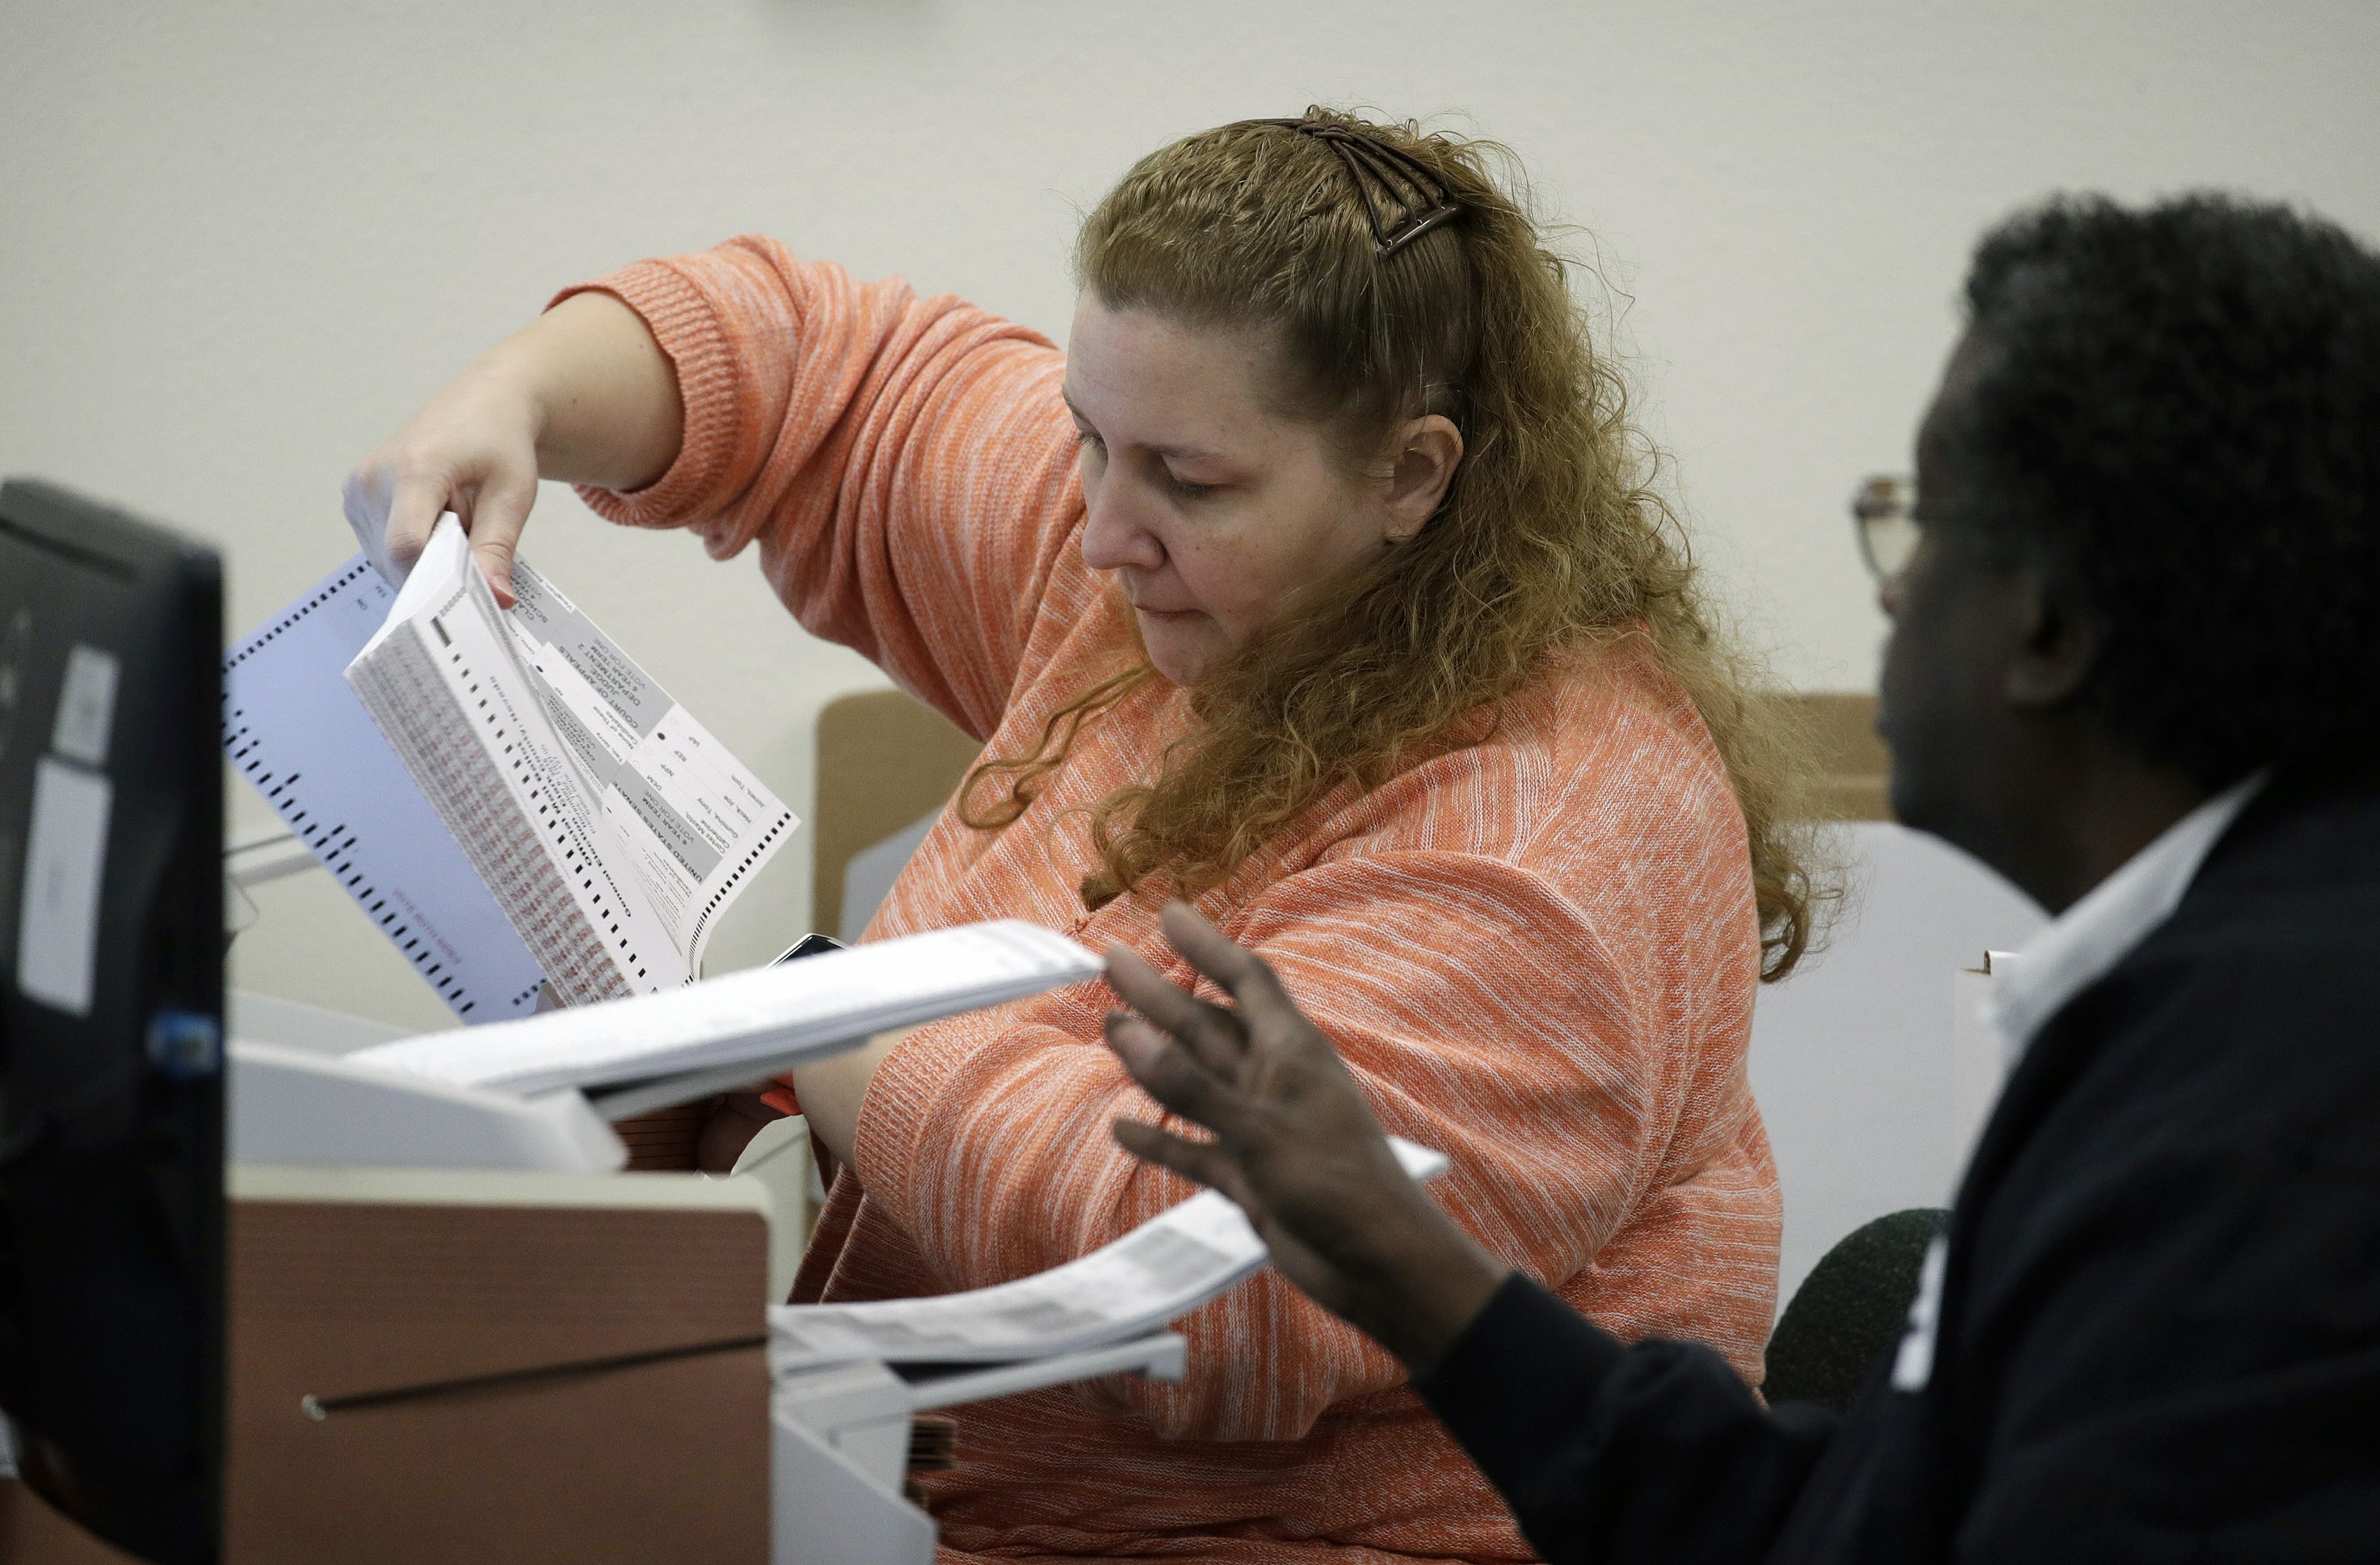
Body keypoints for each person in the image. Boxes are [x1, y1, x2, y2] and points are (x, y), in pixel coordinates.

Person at [347, 112, 1824, 1560]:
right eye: (1086, 439)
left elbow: (1218, 1280)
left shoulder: (1545, 839)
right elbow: (817, 377)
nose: (1107, 533)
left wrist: (807, 1019)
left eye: (1189, 480)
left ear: (1411, 475)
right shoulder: (1170, 578)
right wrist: (518, 395)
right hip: (938, 1500)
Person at [1102, 191, 2380, 1562]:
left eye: (1920, 528)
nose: (1894, 599)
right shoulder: (2246, 1003)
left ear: (2046, 625)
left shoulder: (2281, 1117)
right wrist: (1416, 1268)